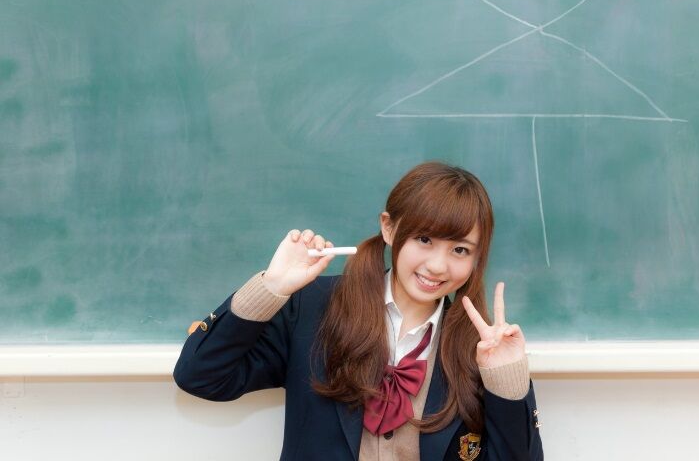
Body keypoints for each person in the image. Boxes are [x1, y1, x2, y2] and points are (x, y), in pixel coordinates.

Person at [174, 161, 543, 460]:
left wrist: (506, 379)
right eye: (424, 239)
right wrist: (271, 287)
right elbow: (200, 375)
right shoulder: (312, 306)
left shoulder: (481, 348)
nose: (437, 266)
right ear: (389, 228)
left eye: (460, 250)